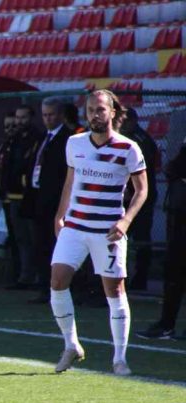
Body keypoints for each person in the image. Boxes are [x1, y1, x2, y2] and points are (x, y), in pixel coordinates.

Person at [49, 90, 147, 376]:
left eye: (101, 109)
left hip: (108, 231)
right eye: (91, 109)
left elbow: (142, 190)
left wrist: (126, 221)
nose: (95, 114)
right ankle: (71, 345)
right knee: (57, 280)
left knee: (114, 290)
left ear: (113, 112)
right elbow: (71, 181)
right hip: (75, 226)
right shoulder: (75, 143)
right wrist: (60, 215)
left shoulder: (129, 148)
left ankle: (119, 358)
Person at [138, 137, 186, 339]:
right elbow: (174, 167)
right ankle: (166, 324)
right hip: (179, 213)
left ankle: (167, 323)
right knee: (174, 271)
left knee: (176, 271)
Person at [25, 97, 72, 303]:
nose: (47, 119)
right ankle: (45, 286)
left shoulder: (68, 139)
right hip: (39, 200)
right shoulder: (43, 138)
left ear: (61, 115)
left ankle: (59, 288)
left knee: (56, 246)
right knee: (40, 245)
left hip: (56, 202)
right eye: (44, 115)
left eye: (51, 114)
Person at [0, 107, 42, 289]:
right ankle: (24, 276)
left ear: (31, 118)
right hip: (13, 196)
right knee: (20, 238)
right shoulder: (12, 140)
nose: (19, 121)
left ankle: (39, 277)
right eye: (18, 117)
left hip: (30, 196)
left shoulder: (38, 139)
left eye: (23, 117)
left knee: (35, 238)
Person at [121, 107, 159, 291]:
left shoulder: (140, 140)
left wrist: (130, 189)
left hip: (141, 198)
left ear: (133, 121)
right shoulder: (126, 138)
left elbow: (141, 170)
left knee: (141, 237)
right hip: (127, 197)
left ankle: (141, 277)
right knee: (123, 237)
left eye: (125, 121)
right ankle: (124, 276)